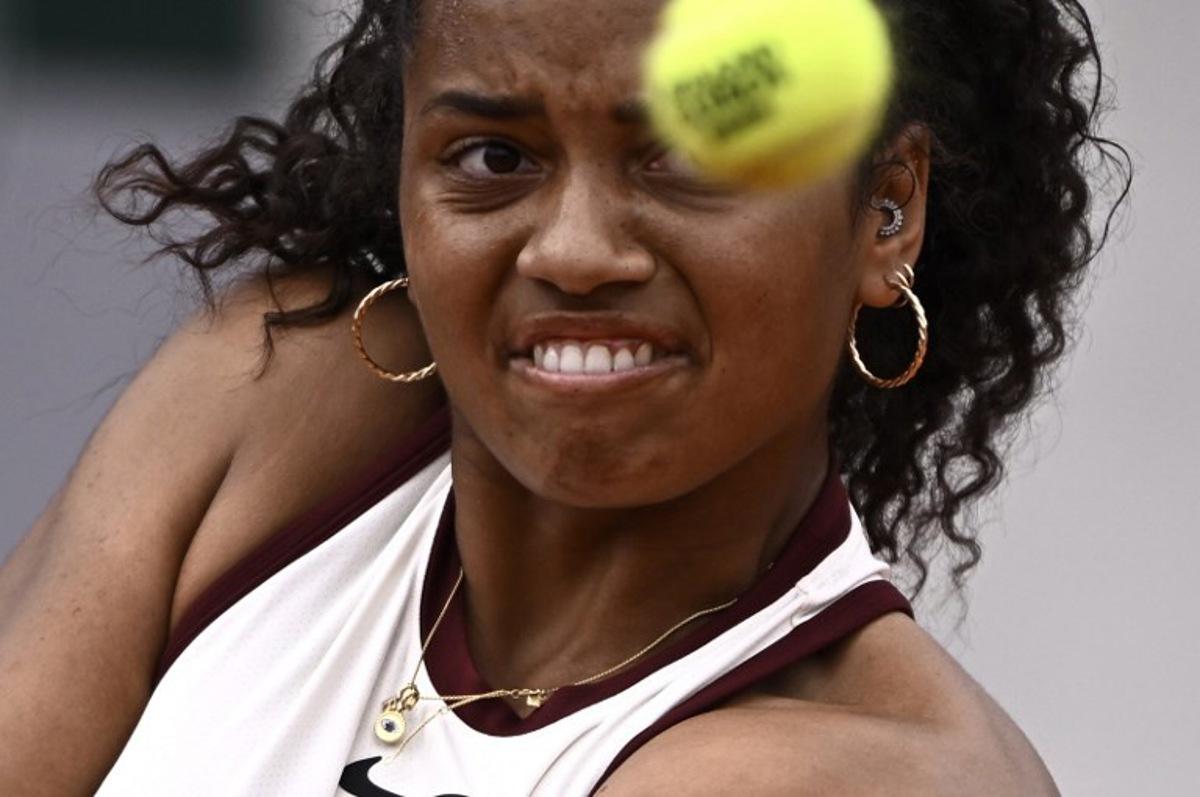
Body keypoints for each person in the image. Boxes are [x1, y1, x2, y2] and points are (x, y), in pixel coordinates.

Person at [0, 0, 1130, 794]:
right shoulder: (277, 390)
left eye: (691, 158)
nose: (576, 251)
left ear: (886, 211)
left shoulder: (867, 771)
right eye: (494, 157)